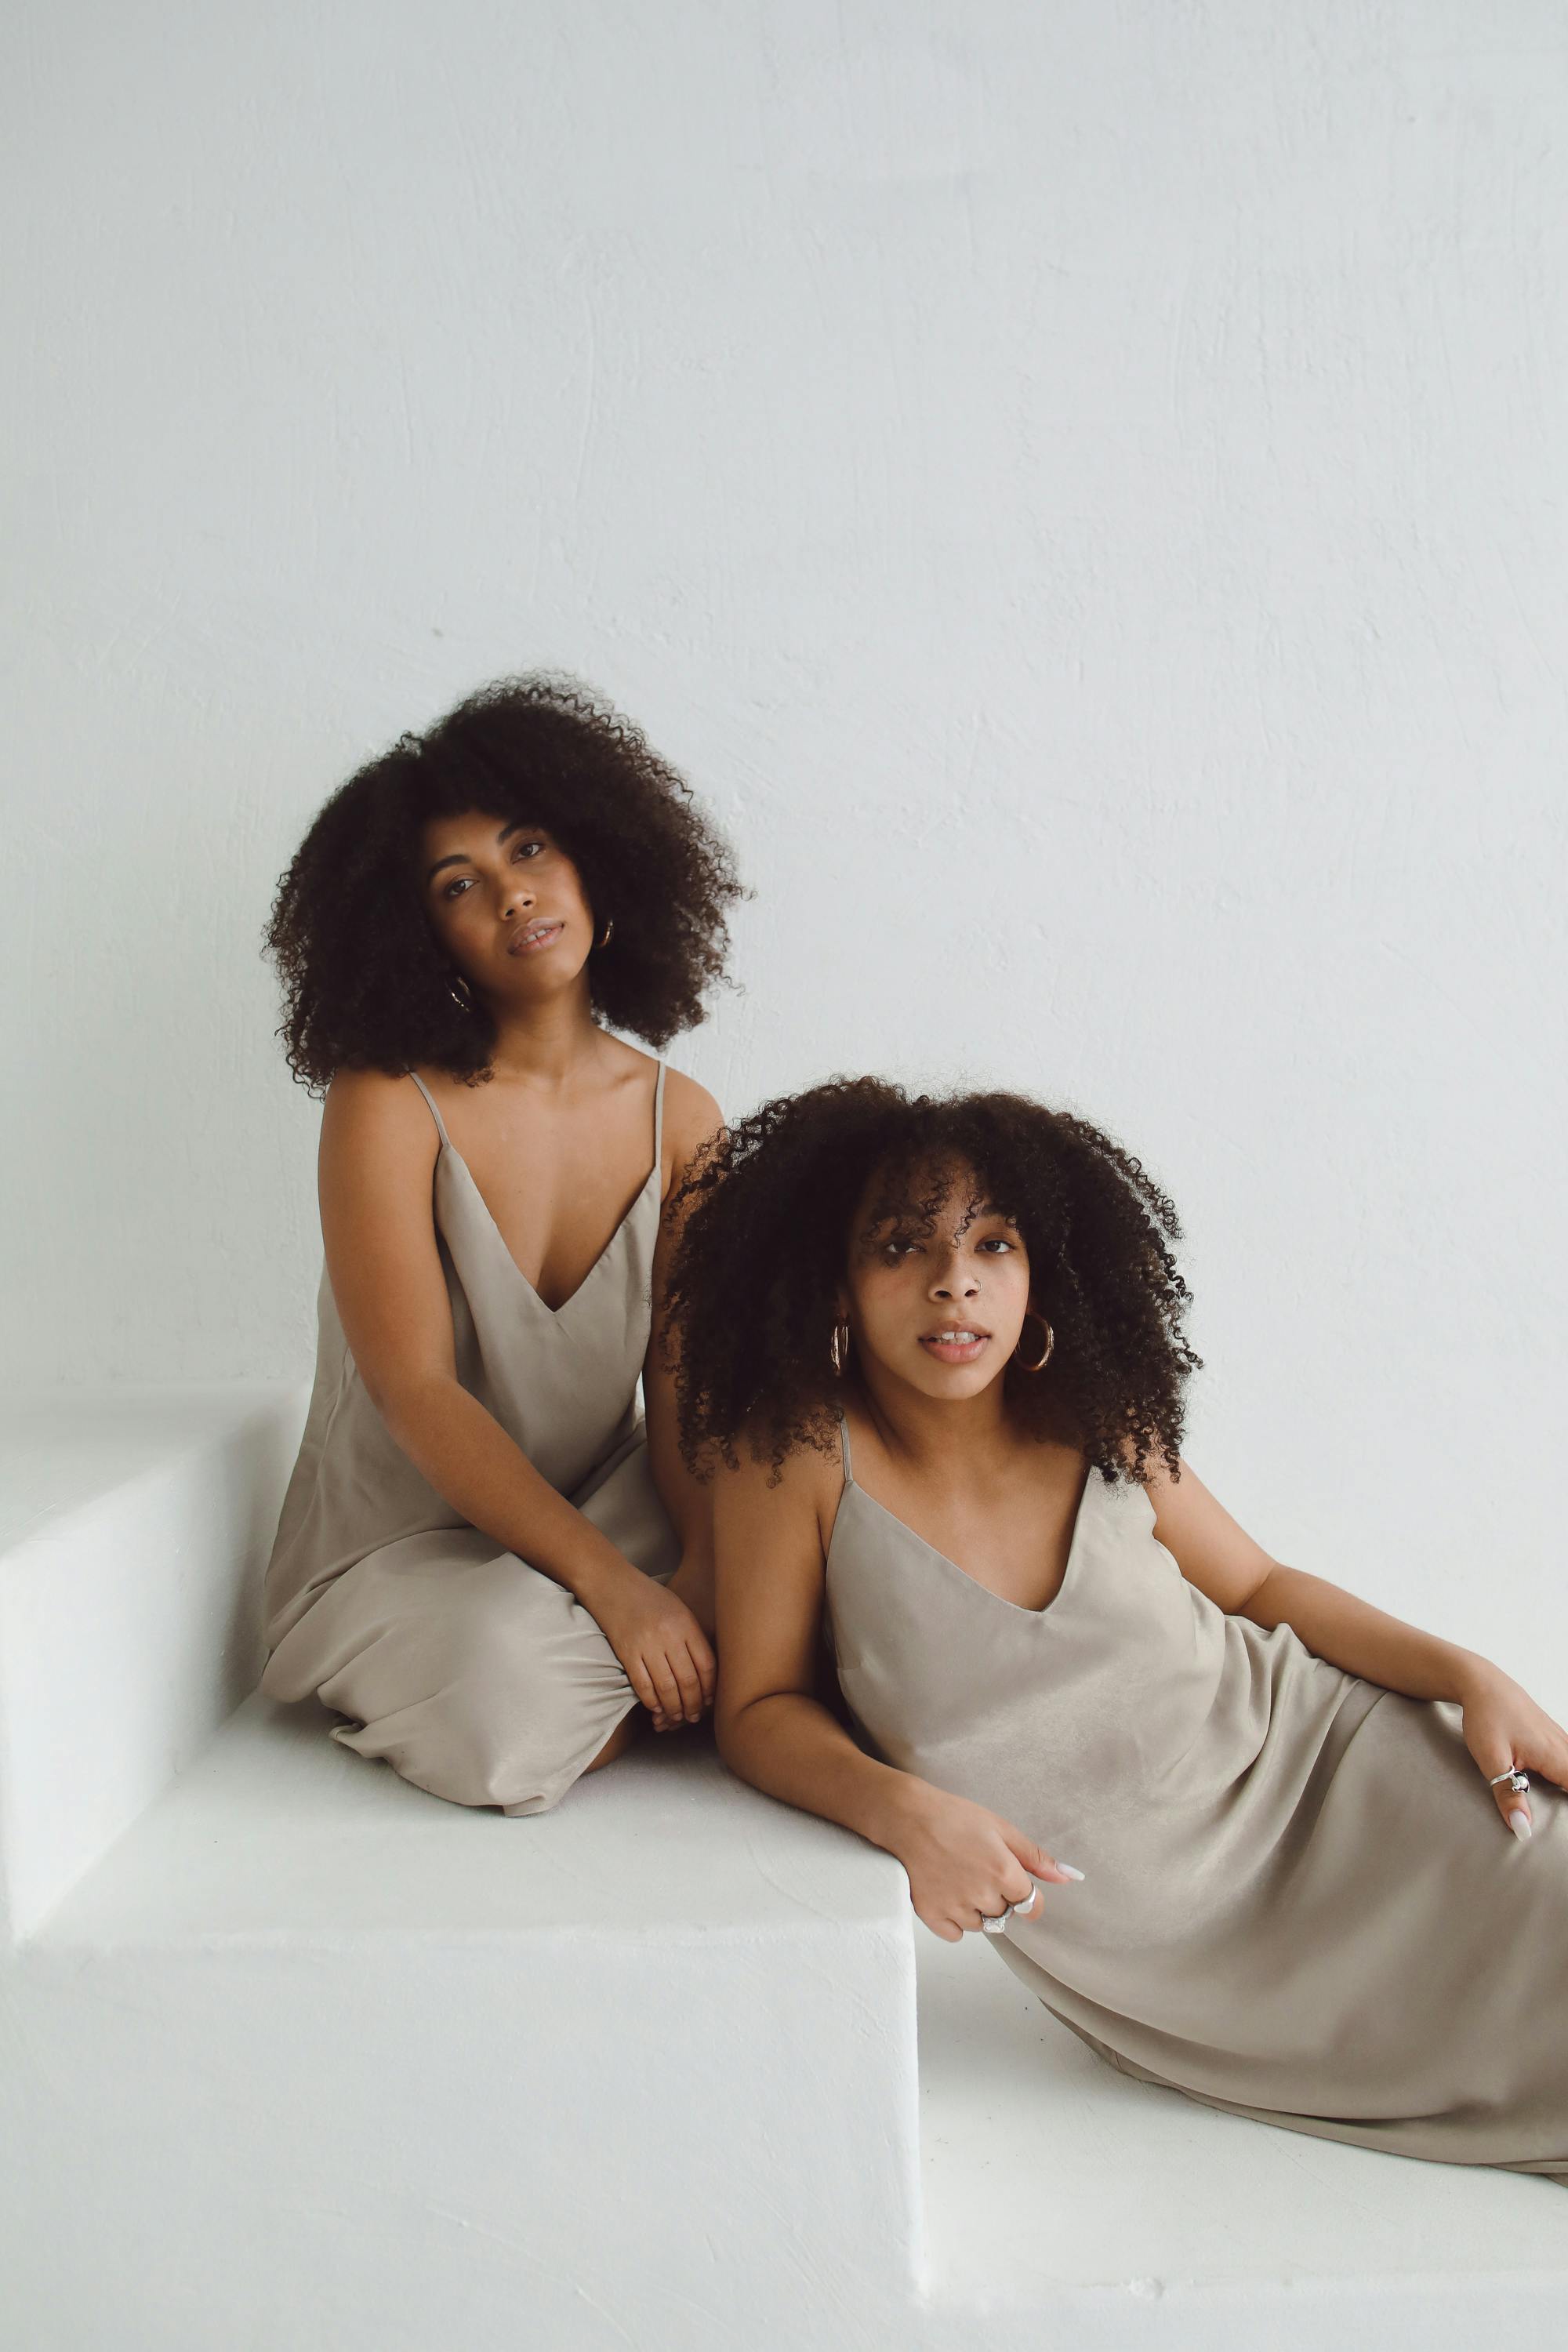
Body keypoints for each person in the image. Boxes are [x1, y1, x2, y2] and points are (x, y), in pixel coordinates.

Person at [662, 1077, 1568, 2187]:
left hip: (1339, 1777)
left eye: (992, 1243)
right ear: (836, 1285)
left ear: (1038, 1271)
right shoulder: (797, 1455)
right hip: (1174, 1949)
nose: (955, 1282)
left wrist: (1472, 1676)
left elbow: (1263, 1588)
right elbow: (758, 1710)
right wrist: (904, 1813)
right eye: (901, 1247)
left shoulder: (1096, 1416)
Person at [259, 674, 742, 1813]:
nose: (514, 896)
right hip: (406, 1546)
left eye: (529, 849)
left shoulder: (687, 1121)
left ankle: (663, 1672)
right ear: (421, 932)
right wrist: (624, 1597)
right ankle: (661, 1691)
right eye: (459, 885)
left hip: (606, 1509)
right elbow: (417, 1392)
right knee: (501, 1685)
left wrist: (710, 1579)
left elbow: (680, 1406)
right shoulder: (385, 1101)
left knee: (819, 1553)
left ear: (594, 857)